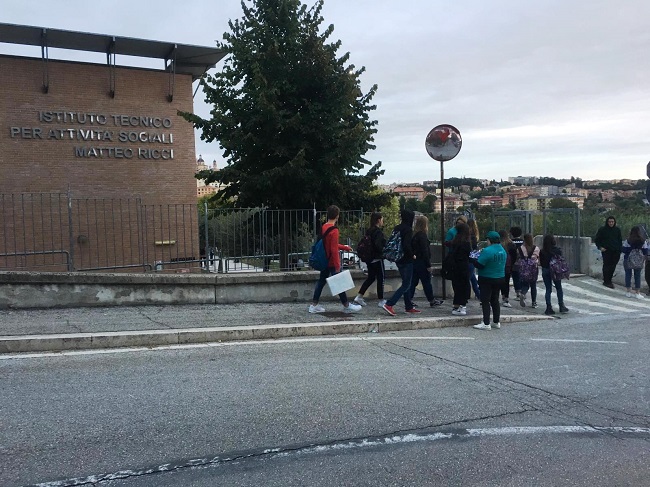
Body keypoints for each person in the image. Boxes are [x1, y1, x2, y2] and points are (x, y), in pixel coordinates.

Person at [309, 205, 362, 314]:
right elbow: (333, 249)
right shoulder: (334, 230)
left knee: (321, 282)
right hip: (331, 261)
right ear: (337, 216)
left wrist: (344, 247)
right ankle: (346, 305)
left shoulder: (324, 227)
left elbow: (329, 245)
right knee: (339, 283)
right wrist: (337, 265)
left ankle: (313, 305)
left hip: (324, 259)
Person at [382, 209, 418, 316]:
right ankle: (389, 304)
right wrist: (412, 255)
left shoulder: (397, 228)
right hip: (407, 259)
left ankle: (408, 306)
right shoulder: (408, 229)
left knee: (406, 282)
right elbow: (406, 245)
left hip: (398, 259)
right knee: (406, 284)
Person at [471, 231, 506, 330]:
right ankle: (496, 321)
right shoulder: (502, 250)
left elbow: (480, 265)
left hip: (487, 277)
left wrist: (473, 259)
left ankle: (486, 323)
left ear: (489, 240)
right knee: (495, 299)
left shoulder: (487, 250)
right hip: (500, 277)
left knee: (485, 300)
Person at [409, 215, 444, 307]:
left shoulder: (415, 235)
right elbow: (425, 251)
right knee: (426, 282)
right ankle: (431, 300)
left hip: (415, 261)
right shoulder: (423, 236)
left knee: (413, 282)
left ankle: (409, 299)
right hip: (422, 262)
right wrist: (428, 265)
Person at [354, 212, 387, 307]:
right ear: (379, 220)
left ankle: (359, 296)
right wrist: (384, 252)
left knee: (371, 278)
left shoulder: (369, 231)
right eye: (382, 219)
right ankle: (381, 300)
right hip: (377, 258)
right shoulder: (378, 232)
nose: (382, 221)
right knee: (381, 278)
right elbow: (378, 245)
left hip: (369, 258)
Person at [539, 234, 569, 315]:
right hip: (555, 270)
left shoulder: (542, 251)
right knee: (559, 287)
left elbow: (541, 262)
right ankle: (561, 305)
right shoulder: (557, 250)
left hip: (545, 270)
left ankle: (548, 307)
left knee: (548, 289)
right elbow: (560, 260)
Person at [449, 222, 472, 315]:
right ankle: (463, 306)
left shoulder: (455, 242)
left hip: (455, 267)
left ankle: (456, 305)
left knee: (457, 287)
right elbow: (470, 255)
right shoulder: (466, 243)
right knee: (464, 286)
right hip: (464, 266)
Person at [594, 216, 622, 289]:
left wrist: (619, 250)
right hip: (606, 251)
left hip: (616, 251)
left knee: (613, 266)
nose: (611, 223)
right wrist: (600, 247)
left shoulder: (617, 230)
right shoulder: (602, 230)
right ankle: (606, 281)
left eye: (612, 222)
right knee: (607, 266)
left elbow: (620, 240)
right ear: (607, 222)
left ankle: (609, 280)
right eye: (609, 222)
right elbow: (597, 240)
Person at [621, 226, 648, 299]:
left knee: (628, 275)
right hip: (639, 261)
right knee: (637, 276)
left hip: (628, 259)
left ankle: (628, 291)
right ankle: (637, 293)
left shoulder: (628, 240)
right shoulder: (643, 241)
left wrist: (630, 250)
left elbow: (623, 250)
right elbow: (645, 251)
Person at [518, 233, 540, 308]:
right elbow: (538, 257)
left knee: (525, 284)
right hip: (533, 269)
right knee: (533, 285)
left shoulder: (520, 248)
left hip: (523, 269)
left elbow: (518, 257)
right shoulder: (536, 248)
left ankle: (523, 293)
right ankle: (534, 302)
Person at [498, 230, 518, 308]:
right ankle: (505, 299)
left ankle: (497, 297)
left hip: (499, 266)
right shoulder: (511, 244)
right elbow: (514, 256)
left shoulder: (498, 245)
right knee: (506, 283)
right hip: (508, 267)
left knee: (498, 282)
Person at [467, 218, 481, 300]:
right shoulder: (474, 235)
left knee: (468, 279)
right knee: (472, 278)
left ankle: (467, 296)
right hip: (473, 258)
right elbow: (475, 249)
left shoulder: (469, 236)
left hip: (469, 259)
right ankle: (479, 295)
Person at [510, 226, 524, 299]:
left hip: (514, 263)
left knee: (515, 278)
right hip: (523, 262)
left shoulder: (510, 242)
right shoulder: (523, 242)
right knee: (522, 277)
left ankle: (518, 293)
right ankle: (523, 292)